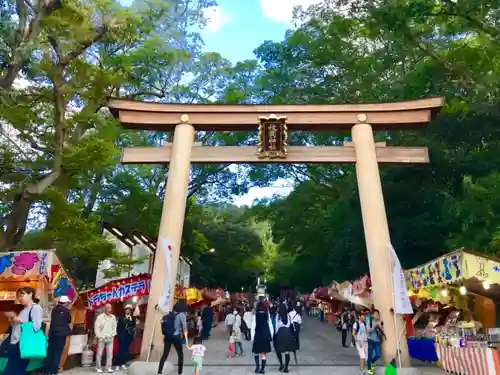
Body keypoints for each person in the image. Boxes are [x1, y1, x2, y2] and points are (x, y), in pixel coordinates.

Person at [3, 287, 44, 375]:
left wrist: (20, 321)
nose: (20, 298)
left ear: (30, 294)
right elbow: (18, 327)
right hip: (15, 343)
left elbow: (36, 326)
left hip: (22, 344)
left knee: (14, 370)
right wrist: (13, 321)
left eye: (22, 295)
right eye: (19, 297)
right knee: (13, 369)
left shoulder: (36, 308)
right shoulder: (24, 310)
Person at [158, 299, 189, 375]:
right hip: (176, 337)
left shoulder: (171, 313)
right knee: (180, 355)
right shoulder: (182, 314)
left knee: (165, 355)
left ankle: (159, 372)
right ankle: (180, 373)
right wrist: (187, 342)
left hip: (168, 337)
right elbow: (185, 328)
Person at [44, 295, 72, 375]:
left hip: (52, 334)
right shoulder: (66, 311)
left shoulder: (54, 310)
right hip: (61, 335)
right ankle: (54, 372)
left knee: (50, 352)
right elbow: (69, 320)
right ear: (66, 303)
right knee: (57, 353)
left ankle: (46, 371)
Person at [251, 301, 273, 374]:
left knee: (256, 352)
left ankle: (257, 367)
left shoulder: (255, 315)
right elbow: (270, 326)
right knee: (264, 354)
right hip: (265, 335)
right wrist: (271, 336)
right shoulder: (267, 315)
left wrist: (252, 337)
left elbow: (253, 326)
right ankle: (262, 369)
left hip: (258, 335)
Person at [94, 303, 117, 373]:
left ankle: (108, 367)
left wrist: (113, 334)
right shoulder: (100, 317)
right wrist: (99, 336)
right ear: (104, 309)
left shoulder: (113, 317)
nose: (108, 309)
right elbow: (96, 327)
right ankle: (98, 367)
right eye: (107, 308)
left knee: (110, 354)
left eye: (110, 308)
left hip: (110, 338)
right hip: (102, 338)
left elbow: (114, 327)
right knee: (99, 353)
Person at [274, 303, 296, 373]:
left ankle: (281, 364)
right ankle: (286, 368)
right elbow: (292, 325)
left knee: (278, 350)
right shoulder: (288, 315)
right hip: (287, 333)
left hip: (280, 333)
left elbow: (276, 327)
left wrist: (275, 335)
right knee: (287, 352)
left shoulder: (278, 316)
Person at [115, 305, 136, 371]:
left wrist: (132, 335)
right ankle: (118, 364)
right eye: (127, 309)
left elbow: (134, 327)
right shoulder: (121, 318)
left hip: (128, 336)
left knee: (125, 351)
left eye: (129, 309)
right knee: (120, 350)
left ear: (131, 311)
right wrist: (118, 335)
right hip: (121, 336)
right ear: (125, 310)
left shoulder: (133, 318)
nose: (128, 310)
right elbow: (118, 327)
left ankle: (123, 364)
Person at [367, 309, 384, 375]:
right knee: (370, 355)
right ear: (373, 315)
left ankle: (371, 363)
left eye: (378, 314)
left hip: (377, 340)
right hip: (371, 340)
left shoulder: (379, 322)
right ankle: (369, 370)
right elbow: (369, 330)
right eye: (376, 314)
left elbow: (381, 332)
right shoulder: (370, 321)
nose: (377, 315)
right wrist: (375, 326)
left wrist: (381, 326)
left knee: (378, 355)